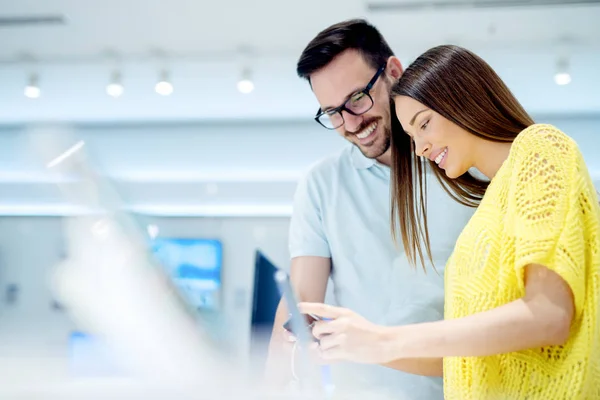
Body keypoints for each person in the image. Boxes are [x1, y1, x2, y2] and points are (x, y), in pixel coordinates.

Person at [299, 44, 600, 399]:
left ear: (465, 99)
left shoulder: (540, 149)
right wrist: (364, 345)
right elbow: (466, 357)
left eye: (423, 124)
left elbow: (548, 316)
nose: (420, 148)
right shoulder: (488, 210)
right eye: (412, 137)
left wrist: (384, 340)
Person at [264, 20, 474, 399]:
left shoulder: (461, 162)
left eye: (357, 99)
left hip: (468, 386)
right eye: (332, 113)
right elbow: (299, 307)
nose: (350, 124)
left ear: (394, 72)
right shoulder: (322, 184)